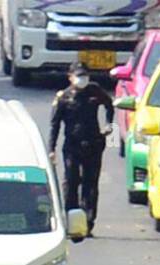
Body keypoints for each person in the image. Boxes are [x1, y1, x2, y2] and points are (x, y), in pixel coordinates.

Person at [50, 62, 114, 239]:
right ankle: (71, 220)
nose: (82, 79)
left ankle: (88, 222)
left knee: (90, 184)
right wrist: (51, 149)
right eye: (78, 76)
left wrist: (110, 130)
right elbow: (54, 125)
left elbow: (110, 105)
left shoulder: (95, 91)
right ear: (70, 77)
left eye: (85, 75)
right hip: (72, 145)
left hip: (94, 143)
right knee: (71, 182)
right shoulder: (64, 98)